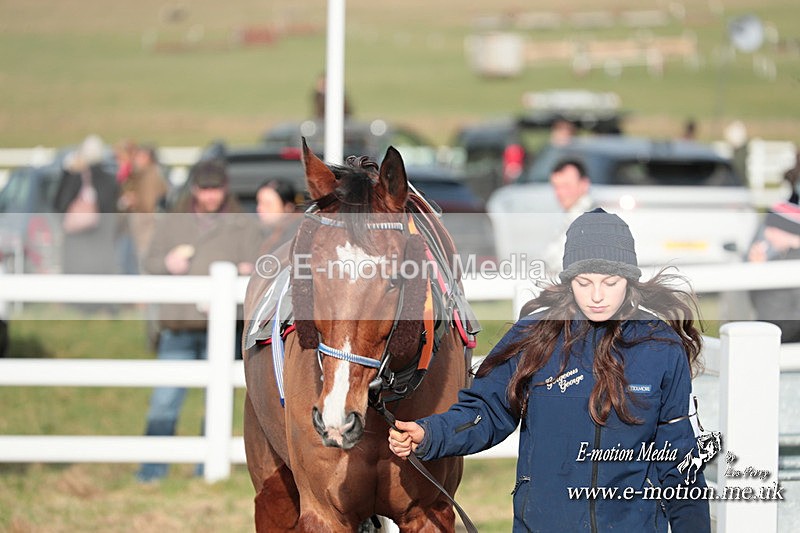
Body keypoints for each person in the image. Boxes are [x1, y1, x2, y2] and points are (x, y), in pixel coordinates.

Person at [388, 208, 711, 532]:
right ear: (569, 281)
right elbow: (487, 411)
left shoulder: (661, 347)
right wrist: (431, 433)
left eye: (610, 282)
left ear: (629, 280)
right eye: (584, 282)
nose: (597, 296)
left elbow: (679, 459)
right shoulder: (536, 336)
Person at [136, 160, 262, 482]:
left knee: (217, 401)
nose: (210, 196)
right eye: (204, 189)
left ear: (225, 188)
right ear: (194, 189)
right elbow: (150, 261)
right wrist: (166, 262)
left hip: (223, 328)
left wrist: (247, 271)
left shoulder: (242, 223)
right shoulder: (173, 222)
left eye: (215, 189)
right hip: (179, 325)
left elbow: (259, 263)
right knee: (165, 399)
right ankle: (152, 469)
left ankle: (208, 468)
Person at [53, 134, 119, 277]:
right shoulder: (109, 180)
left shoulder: (75, 177)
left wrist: (68, 172)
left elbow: (59, 204)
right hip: (102, 244)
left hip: (78, 243)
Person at [746, 200, 800, 343]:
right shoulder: (784, 260)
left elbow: (767, 308)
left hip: (782, 336)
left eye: (772, 229)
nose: (767, 235)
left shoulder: (783, 265)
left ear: (786, 230)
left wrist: (757, 271)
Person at [117, 144, 170, 272]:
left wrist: (133, 201)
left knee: (142, 260)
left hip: (145, 225)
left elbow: (148, 204)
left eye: (141, 156)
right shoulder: (139, 174)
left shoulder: (149, 175)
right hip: (138, 225)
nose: (137, 159)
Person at [543, 158, 595, 275]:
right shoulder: (571, 217)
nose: (560, 193)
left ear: (584, 185)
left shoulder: (589, 220)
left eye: (566, 186)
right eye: (556, 187)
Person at [255, 178, 301, 254]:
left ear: (288, 207)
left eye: (267, 204)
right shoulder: (262, 231)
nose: (259, 208)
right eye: (258, 202)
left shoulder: (297, 236)